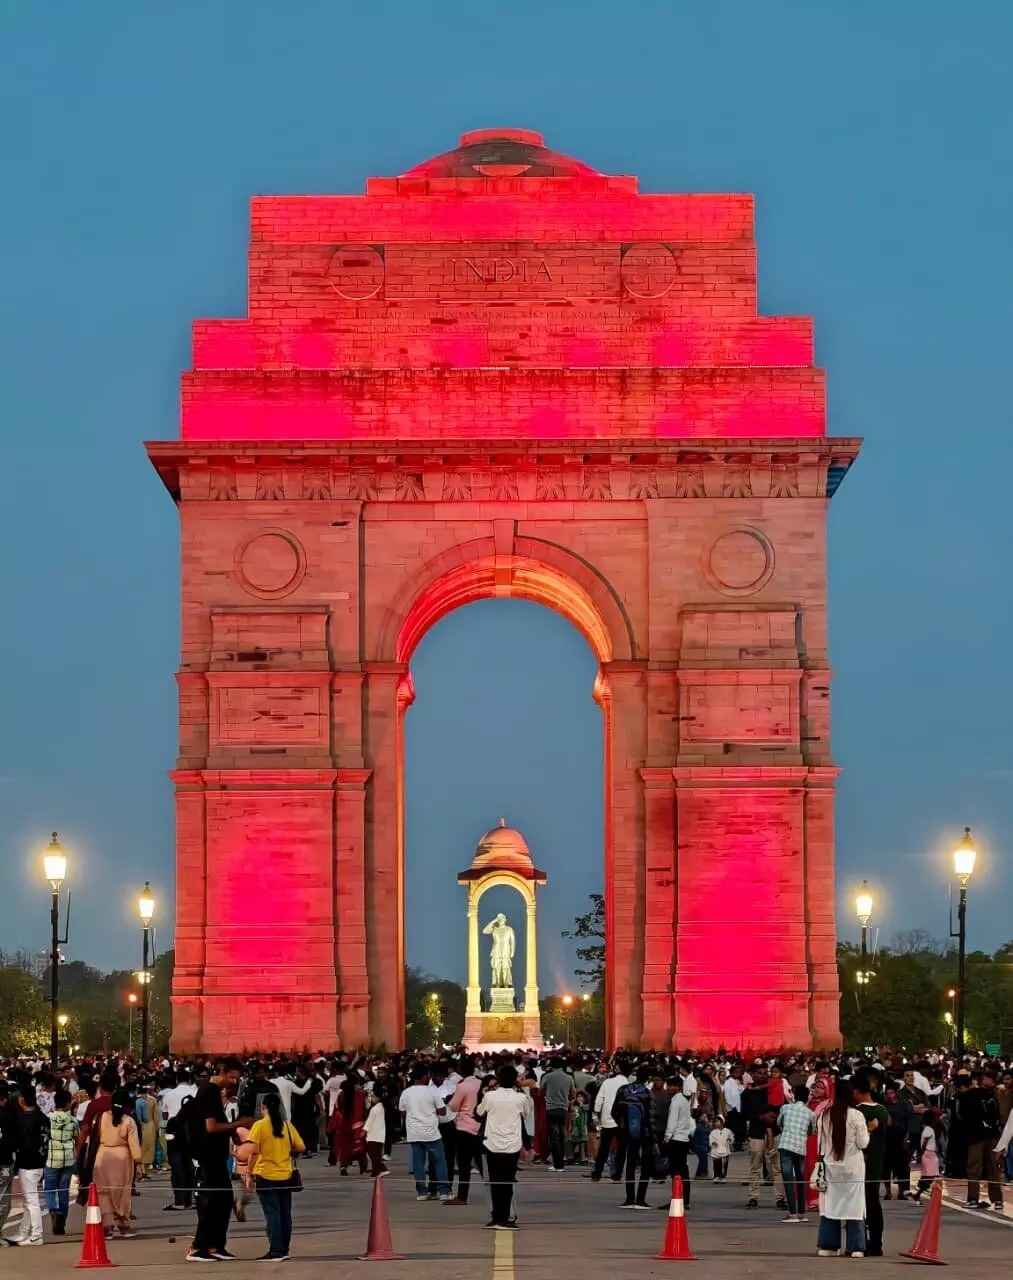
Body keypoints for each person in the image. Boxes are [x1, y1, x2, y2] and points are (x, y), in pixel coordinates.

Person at [187, 1059, 249, 1263]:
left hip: (217, 1155)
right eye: (231, 1077)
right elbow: (211, 1127)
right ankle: (199, 1247)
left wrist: (232, 1133)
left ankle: (216, 1245)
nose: (233, 1082)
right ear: (220, 1072)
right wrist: (238, 1123)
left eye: (236, 1078)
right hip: (208, 1154)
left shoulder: (214, 1093)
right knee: (211, 1201)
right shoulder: (209, 1091)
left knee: (223, 1200)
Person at [815, 1079, 869, 1258]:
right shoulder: (857, 1115)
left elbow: (820, 1145)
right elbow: (863, 1142)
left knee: (830, 1206)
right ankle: (856, 1247)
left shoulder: (825, 1115)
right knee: (855, 1206)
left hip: (831, 1167)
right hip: (853, 1167)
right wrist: (871, 1129)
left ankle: (829, 1246)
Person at [246, 1093, 304, 1261]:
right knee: (285, 1213)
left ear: (263, 1108)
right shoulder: (287, 1126)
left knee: (272, 1213)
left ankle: (276, 1250)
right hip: (285, 1174)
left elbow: (254, 1152)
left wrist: (249, 1174)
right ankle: (284, 1248)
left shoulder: (259, 1126)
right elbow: (301, 1146)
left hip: (265, 1174)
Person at [477, 1065, 534, 1230]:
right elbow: (527, 1113)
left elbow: (480, 1112)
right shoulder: (520, 1098)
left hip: (492, 1142)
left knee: (494, 1182)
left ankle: (496, 1217)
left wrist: (485, 1094)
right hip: (512, 1144)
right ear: (515, 1080)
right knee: (507, 1182)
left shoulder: (490, 1096)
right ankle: (505, 1217)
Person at [94, 1088, 143, 1240]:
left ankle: (106, 1227)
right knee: (122, 1193)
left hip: (102, 1156)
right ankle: (123, 1225)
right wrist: (139, 1164)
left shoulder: (102, 1117)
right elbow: (134, 1145)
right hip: (122, 1157)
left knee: (103, 1192)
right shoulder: (129, 1121)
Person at [399, 1064, 451, 1202]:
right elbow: (442, 1111)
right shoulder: (432, 1092)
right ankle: (444, 1191)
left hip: (414, 1133)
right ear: (424, 1077)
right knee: (439, 1161)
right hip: (431, 1132)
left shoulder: (406, 1092)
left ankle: (422, 1192)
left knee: (418, 1163)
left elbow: (403, 1112)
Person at [852, 1072, 887, 1257]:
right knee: (874, 1203)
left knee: (858, 1206)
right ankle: (876, 1242)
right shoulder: (882, 1110)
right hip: (876, 1163)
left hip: (858, 1165)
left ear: (857, 1091)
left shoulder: (856, 1112)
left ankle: (858, 1241)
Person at [742, 1065, 786, 1209]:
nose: (762, 1076)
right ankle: (753, 1197)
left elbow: (783, 1108)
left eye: (764, 1073)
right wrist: (761, 1117)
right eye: (759, 1073)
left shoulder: (774, 1089)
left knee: (777, 1167)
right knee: (755, 1166)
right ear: (753, 1075)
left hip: (774, 1131)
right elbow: (744, 1114)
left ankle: (780, 1198)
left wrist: (774, 1117)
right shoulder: (747, 1094)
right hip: (756, 1132)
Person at [12, 1085, 49, 1245]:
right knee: (29, 1200)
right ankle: (24, 1231)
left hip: (27, 1162)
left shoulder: (22, 1119)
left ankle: (37, 1234)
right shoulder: (42, 1117)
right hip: (40, 1161)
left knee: (32, 1200)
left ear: (22, 1100)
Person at [614, 1064, 654, 1209]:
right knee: (645, 1167)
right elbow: (651, 1116)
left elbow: (614, 1111)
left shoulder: (623, 1090)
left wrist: (621, 1125)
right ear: (648, 1078)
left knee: (629, 1165)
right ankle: (641, 1199)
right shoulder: (647, 1093)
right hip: (643, 1134)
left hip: (626, 1133)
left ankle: (629, 1199)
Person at [445, 1057, 482, 1205]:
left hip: (464, 1127)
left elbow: (453, 1106)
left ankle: (462, 1196)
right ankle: (493, 1190)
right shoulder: (481, 1083)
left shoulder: (463, 1086)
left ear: (461, 1070)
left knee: (463, 1164)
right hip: (479, 1127)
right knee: (481, 1163)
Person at [777, 1083, 815, 1222]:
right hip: (800, 1147)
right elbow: (812, 1131)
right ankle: (801, 1213)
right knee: (800, 1179)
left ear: (794, 1095)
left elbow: (779, 1123)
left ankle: (792, 1213)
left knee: (788, 1179)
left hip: (786, 1144)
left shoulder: (785, 1108)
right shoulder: (810, 1113)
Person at [43, 1088, 79, 1236]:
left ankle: (53, 1211)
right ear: (67, 1104)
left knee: (50, 1188)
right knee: (64, 1190)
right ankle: (62, 1219)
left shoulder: (48, 1118)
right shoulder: (73, 1120)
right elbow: (77, 1138)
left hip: (52, 1158)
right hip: (68, 1158)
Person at [589, 1058, 628, 1182]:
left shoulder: (607, 1082)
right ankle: (617, 1174)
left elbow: (599, 1100)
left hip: (607, 1119)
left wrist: (596, 1113)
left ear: (617, 1069)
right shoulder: (628, 1084)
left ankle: (597, 1173)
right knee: (621, 1149)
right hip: (622, 1121)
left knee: (604, 1148)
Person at [662, 1074, 694, 1209]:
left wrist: (667, 1137)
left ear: (678, 1087)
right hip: (684, 1138)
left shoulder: (676, 1101)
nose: (668, 1088)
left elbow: (672, 1121)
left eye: (671, 1085)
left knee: (675, 1171)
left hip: (676, 1139)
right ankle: (685, 1199)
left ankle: (677, 1199)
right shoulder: (684, 1100)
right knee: (683, 1170)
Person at [327, 1076, 367, 1175]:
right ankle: (363, 1167)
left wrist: (331, 1127)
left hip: (343, 1126)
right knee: (360, 1148)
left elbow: (336, 1111)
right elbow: (364, 1110)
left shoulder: (341, 1095)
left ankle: (343, 1167)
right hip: (357, 1125)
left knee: (344, 1148)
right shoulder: (360, 1095)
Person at [540, 1057, 574, 1173]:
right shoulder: (569, 1078)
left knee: (553, 1138)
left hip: (551, 1109)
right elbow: (573, 1094)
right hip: (563, 1109)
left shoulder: (547, 1077)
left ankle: (557, 1164)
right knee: (562, 1137)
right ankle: (561, 1163)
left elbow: (541, 1091)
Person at [912, 1111, 941, 1203]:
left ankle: (921, 1189)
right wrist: (922, 1152)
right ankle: (919, 1192)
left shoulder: (926, 1129)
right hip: (929, 1154)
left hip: (929, 1154)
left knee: (929, 1175)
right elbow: (925, 1142)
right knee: (931, 1175)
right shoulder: (929, 1129)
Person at [363, 1091, 387, 1178]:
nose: (372, 1098)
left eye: (373, 1096)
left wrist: (364, 1130)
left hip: (373, 1135)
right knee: (376, 1154)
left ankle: (383, 1168)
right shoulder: (382, 1108)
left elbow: (369, 1121)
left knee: (373, 1155)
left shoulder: (375, 1109)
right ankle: (375, 1171)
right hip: (380, 1135)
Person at [708, 1115, 732, 1183]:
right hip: (716, 1150)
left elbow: (731, 1138)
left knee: (724, 1164)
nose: (716, 1123)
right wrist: (713, 1143)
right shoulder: (713, 1132)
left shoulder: (727, 1131)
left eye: (718, 1121)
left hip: (725, 1150)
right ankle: (716, 1176)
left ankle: (723, 1176)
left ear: (722, 1122)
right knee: (716, 1164)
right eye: (715, 1122)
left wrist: (730, 1139)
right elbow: (711, 1139)